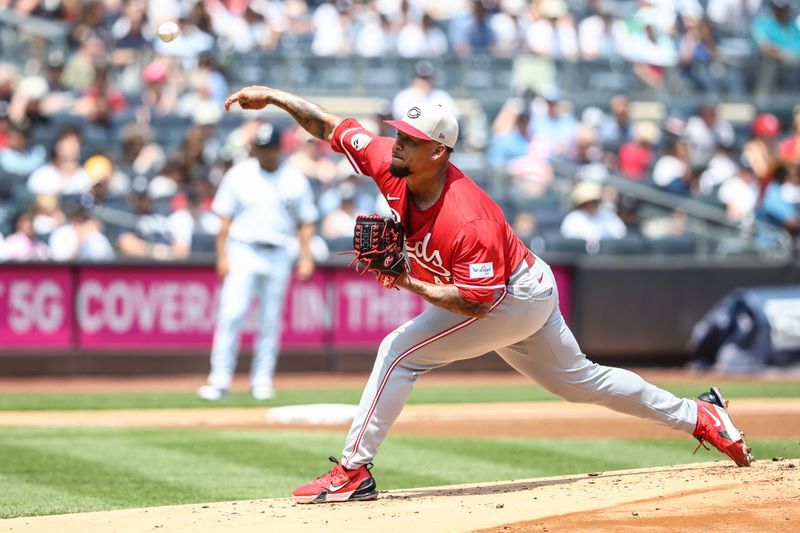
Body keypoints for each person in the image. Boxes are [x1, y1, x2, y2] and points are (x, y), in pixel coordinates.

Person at [224, 85, 753, 504]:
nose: (398, 143)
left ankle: (352, 470)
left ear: (439, 151)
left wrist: (406, 279)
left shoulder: (467, 215)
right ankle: (701, 415)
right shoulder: (392, 161)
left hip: (511, 298)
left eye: (409, 138)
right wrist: (273, 96)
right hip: (526, 287)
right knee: (582, 383)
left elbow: (477, 302)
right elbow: (331, 128)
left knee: (398, 353)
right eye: (399, 134)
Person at [197, 122, 318, 402]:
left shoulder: (293, 179)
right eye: (261, 147)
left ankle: (262, 379)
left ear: (279, 148)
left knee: (270, 320)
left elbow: (306, 222)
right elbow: (223, 219)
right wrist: (222, 255)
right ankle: (219, 379)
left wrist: (306, 256)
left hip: (279, 251)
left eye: (270, 147)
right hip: (244, 249)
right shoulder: (240, 174)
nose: (265, 153)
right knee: (232, 314)